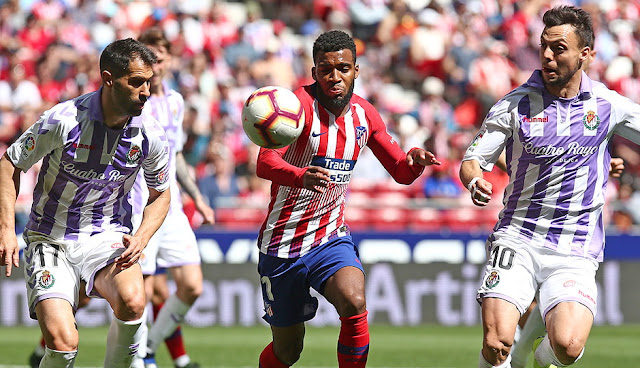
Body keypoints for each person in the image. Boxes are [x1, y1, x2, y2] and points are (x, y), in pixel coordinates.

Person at [459, 6, 640, 368]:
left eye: (559, 48)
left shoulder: (608, 105)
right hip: (518, 237)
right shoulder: (515, 104)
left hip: (574, 247)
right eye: (544, 46)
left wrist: (604, 161)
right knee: (496, 344)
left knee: (568, 347)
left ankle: (537, 357)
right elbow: (472, 160)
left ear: (585, 54)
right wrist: (476, 179)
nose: (547, 55)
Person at [255, 29, 440, 368]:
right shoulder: (296, 107)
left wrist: (414, 163)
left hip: (330, 237)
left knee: (354, 301)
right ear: (315, 73)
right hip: (282, 244)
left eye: (343, 68)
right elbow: (265, 162)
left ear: (357, 70)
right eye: (326, 69)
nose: (334, 77)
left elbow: (399, 170)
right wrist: (301, 175)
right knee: (288, 351)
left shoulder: (365, 115)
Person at [0, 38, 171, 368]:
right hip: (50, 239)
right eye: (136, 81)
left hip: (106, 235)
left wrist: (142, 236)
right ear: (109, 79)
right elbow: (9, 164)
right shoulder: (63, 120)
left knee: (135, 301)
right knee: (64, 343)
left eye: (148, 81)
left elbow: (161, 194)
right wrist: (7, 230)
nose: (146, 91)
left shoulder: (150, 132)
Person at [129, 28, 215, 368]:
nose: (155, 63)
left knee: (192, 286)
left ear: (168, 60)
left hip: (174, 204)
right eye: (148, 58)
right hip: (140, 205)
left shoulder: (177, 102)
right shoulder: (135, 101)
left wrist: (199, 198)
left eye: (159, 57)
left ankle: (149, 346)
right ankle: (137, 361)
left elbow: (176, 156)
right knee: (143, 292)